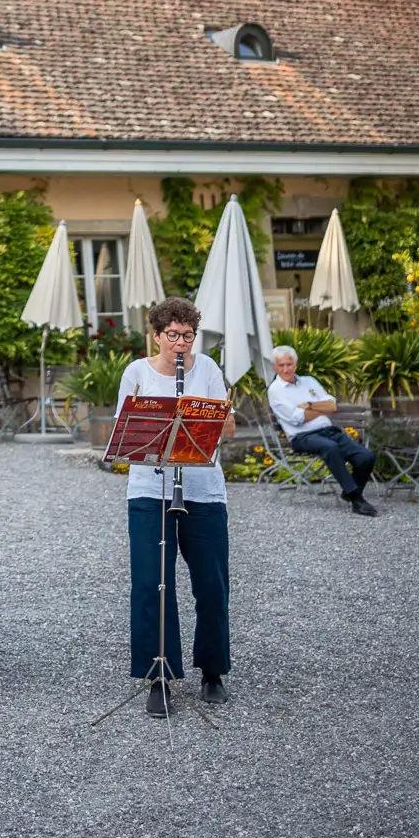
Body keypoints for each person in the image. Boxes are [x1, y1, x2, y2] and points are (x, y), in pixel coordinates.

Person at [116, 296, 236, 715]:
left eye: (187, 336)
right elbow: (125, 437)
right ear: (156, 335)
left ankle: (212, 671)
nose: (181, 344)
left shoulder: (207, 370)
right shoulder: (136, 372)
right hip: (150, 491)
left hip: (202, 490)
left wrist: (209, 417)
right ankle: (158, 675)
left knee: (211, 582)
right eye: (173, 335)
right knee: (152, 584)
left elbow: (228, 428)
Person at [268, 346, 377, 515]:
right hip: (302, 437)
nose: (285, 369)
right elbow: (297, 418)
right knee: (330, 447)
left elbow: (332, 406)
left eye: (289, 364)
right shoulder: (275, 390)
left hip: (329, 431)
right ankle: (357, 499)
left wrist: (309, 405)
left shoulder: (309, 381)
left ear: (295, 365)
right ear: (275, 367)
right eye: (281, 365)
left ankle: (350, 491)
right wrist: (321, 409)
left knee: (366, 456)